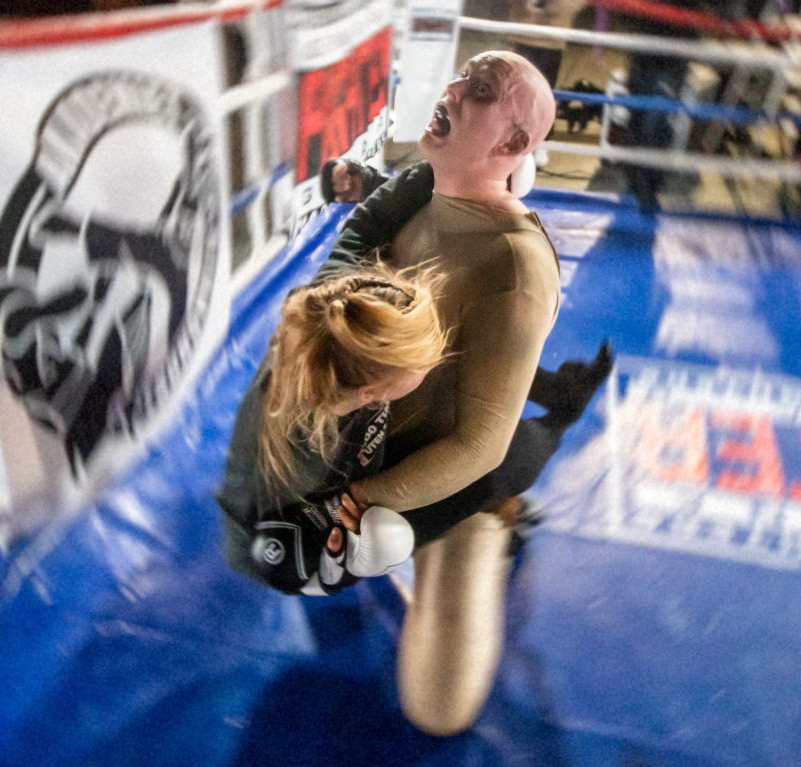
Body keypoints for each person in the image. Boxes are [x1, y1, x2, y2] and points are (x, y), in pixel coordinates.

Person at [313, 50, 573, 735]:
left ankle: (492, 531)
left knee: (437, 705)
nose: (453, 89)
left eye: (478, 89)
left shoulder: (516, 264)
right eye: (461, 76)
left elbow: (478, 444)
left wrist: (367, 498)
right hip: (381, 430)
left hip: (461, 472)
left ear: (514, 144)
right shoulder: (417, 196)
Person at [216, 262, 450, 596]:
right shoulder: (304, 445)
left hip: (325, 480)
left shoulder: (338, 316)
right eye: (421, 363)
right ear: (370, 393)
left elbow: (366, 230)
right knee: (386, 539)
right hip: (278, 535)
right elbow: (250, 505)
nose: (433, 360)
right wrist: (335, 563)